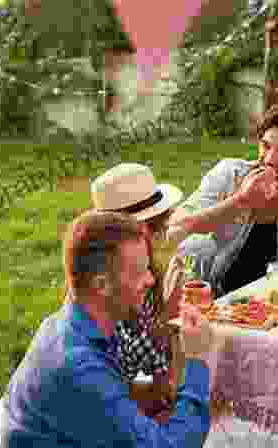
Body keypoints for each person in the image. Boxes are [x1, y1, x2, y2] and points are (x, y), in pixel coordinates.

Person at [1, 210, 215, 447]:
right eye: (140, 272)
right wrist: (198, 359)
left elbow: (107, 396)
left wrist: (157, 392)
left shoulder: (70, 324)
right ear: (102, 285)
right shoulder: (78, 365)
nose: (150, 280)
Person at [167, 103, 278, 298]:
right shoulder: (228, 175)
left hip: (276, 310)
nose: (269, 159)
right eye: (265, 146)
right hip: (212, 302)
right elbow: (175, 230)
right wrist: (240, 201)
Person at [88, 163, 186, 414]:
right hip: (101, 400)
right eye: (158, 228)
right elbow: (123, 360)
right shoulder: (111, 284)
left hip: (122, 387)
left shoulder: (138, 268)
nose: (161, 236)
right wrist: (168, 318)